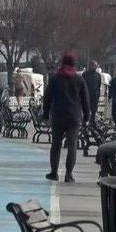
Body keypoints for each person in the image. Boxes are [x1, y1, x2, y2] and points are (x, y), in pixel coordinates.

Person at [42, 51, 90, 183]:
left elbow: (47, 98)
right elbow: (85, 100)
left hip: (58, 115)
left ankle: (54, 172)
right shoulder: (79, 80)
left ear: (63, 62)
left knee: (56, 145)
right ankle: (69, 175)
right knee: (72, 145)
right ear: (74, 63)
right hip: (74, 117)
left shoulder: (55, 78)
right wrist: (86, 116)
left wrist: (46, 115)